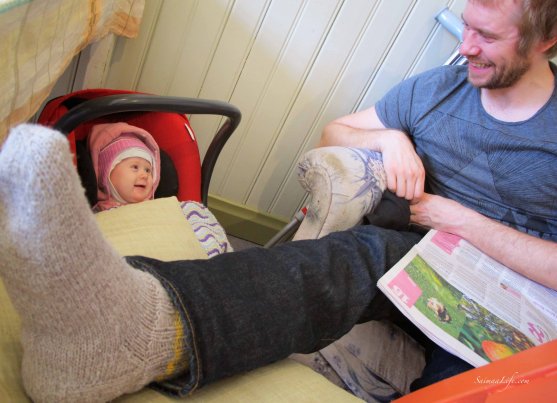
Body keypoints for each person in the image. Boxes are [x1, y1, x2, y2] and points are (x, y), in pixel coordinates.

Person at [0, 0, 555, 402]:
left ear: (544, 39)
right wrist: (390, 138)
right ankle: (127, 330)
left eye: (487, 36)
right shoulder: (439, 89)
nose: (465, 47)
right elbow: (334, 134)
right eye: (466, 26)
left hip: (513, 309)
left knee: (485, 386)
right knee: (353, 257)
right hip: (411, 258)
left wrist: (457, 218)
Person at [89, 122, 232, 257]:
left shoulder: (164, 207)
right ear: (106, 173)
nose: (144, 175)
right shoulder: (94, 215)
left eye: (148, 170)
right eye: (135, 167)